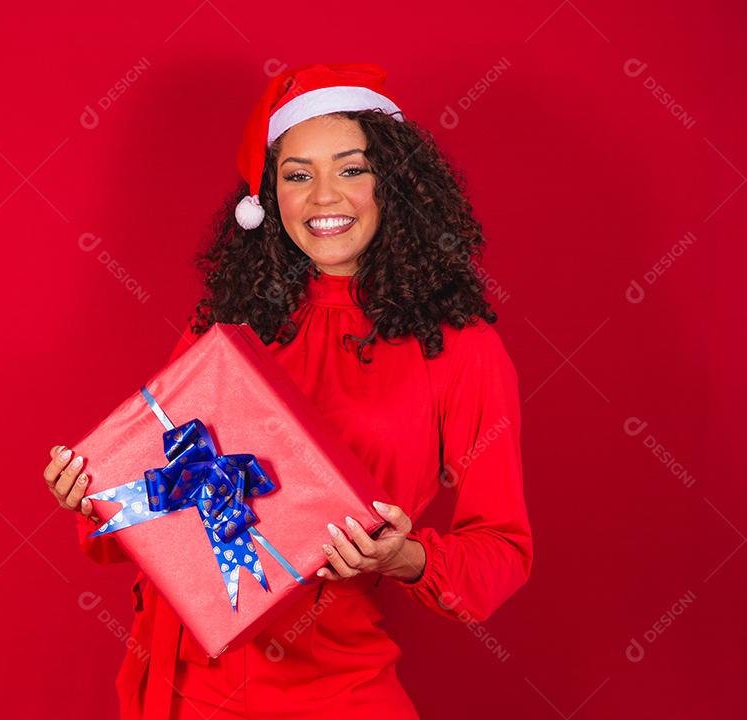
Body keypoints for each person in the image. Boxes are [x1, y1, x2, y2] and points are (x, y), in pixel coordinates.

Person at [42, 63, 534, 719]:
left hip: (333, 690)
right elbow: (145, 523)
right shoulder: (228, 322)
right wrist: (93, 496)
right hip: (183, 687)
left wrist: (405, 556)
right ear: (271, 198)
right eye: (298, 175)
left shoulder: (460, 348)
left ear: (395, 185)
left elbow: (501, 551)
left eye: (352, 169)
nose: (325, 196)